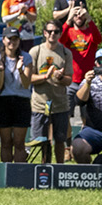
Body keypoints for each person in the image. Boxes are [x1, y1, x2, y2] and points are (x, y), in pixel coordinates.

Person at [26, 17, 71, 163]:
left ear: (60, 33)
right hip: (40, 104)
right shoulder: (35, 51)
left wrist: (59, 77)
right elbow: (29, 79)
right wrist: (46, 76)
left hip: (60, 104)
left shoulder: (65, 53)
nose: (52, 34)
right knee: (42, 141)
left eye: (56, 32)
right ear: (44, 33)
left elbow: (69, 80)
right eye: (49, 31)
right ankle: (44, 169)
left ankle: (59, 169)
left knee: (60, 140)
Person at [0, 25, 33, 163]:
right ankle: (6, 174)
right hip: (3, 101)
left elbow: (26, 84)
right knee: (6, 142)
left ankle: (19, 174)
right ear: (3, 40)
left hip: (21, 101)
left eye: (15, 39)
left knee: (19, 143)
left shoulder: (26, 58)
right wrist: (1, 70)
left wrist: (21, 70)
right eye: (9, 39)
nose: (12, 42)